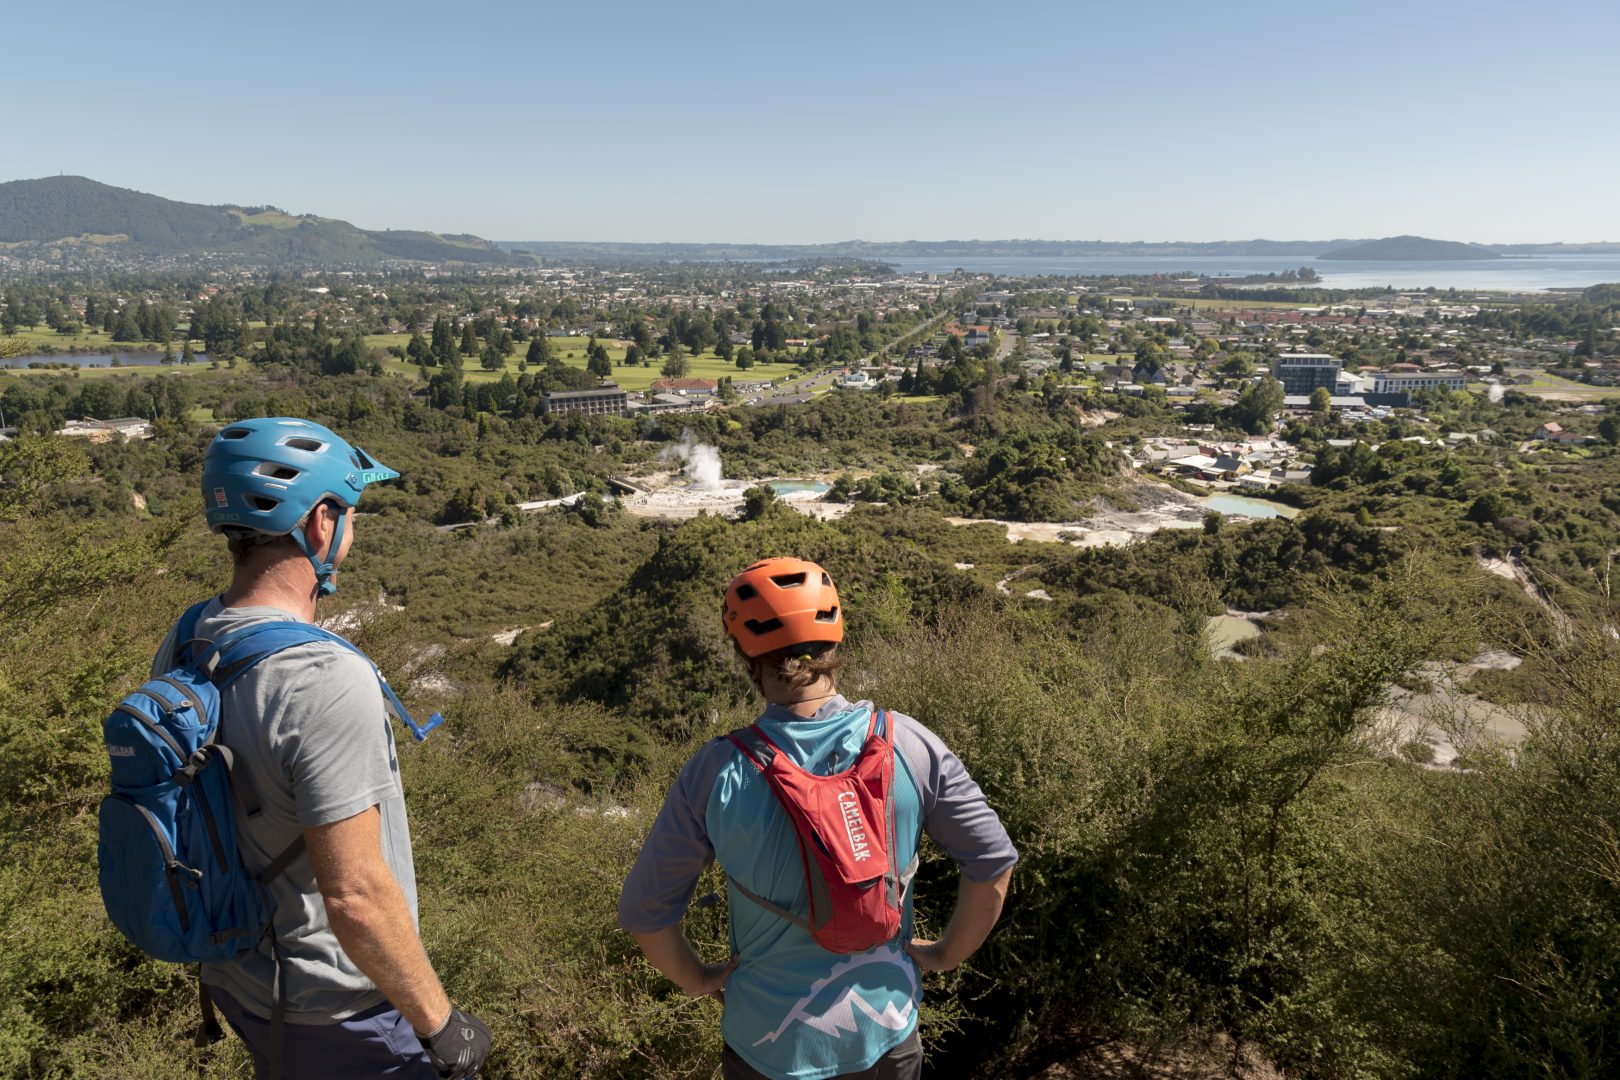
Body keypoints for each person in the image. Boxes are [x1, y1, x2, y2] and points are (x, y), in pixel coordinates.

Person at [149, 417, 491, 1079]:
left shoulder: (190, 633)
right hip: (335, 1011)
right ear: (320, 524)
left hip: (240, 979)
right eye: (350, 513)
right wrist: (444, 1029)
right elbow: (355, 896)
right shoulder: (326, 679)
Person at [619, 557, 1017, 1080]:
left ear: (746, 657)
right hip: (887, 1032)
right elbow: (991, 863)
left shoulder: (715, 772)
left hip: (769, 1043)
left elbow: (645, 912)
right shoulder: (908, 744)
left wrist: (699, 980)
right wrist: (945, 954)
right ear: (835, 644)